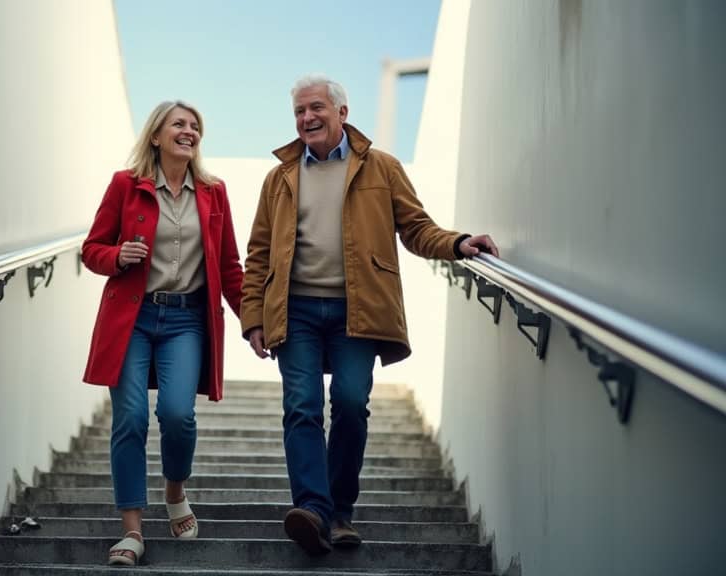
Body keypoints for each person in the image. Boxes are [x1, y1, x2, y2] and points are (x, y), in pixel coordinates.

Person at [240, 74, 499, 556]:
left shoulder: (381, 167)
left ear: (342, 112)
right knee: (301, 406)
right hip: (294, 310)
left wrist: (459, 243)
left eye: (316, 108)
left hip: (358, 308)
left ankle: (341, 512)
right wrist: (252, 314)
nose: (306, 118)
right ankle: (314, 510)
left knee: (352, 403)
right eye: (299, 111)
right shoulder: (279, 178)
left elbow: (416, 228)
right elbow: (259, 252)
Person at [81, 100, 244, 566]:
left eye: (195, 125)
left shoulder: (214, 192)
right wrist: (117, 257)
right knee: (130, 419)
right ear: (156, 135)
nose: (189, 131)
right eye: (179, 124)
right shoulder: (125, 186)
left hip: (186, 320)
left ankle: (175, 489)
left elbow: (229, 266)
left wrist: (252, 321)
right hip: (131, 318)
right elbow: (91, 249)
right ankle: (132, 531)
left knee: (177, 415)